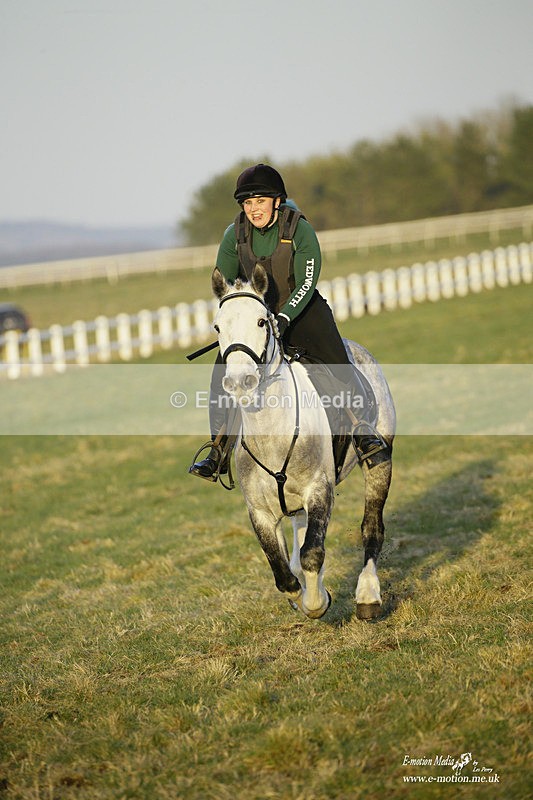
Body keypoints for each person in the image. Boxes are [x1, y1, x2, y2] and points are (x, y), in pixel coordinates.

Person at [189, 163, 387, 481]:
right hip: (258, 317)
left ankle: (362, 431)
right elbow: (227, 285)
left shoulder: (298, 229)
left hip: (302, 307)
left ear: (277, 202)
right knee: (221, 374)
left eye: (260, 201)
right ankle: (218, 450)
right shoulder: (233, 235)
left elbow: (308, 281)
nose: (254, 209)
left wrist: (283, 316)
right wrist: (245, 317)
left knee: (336, 361)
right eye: (248, 203)